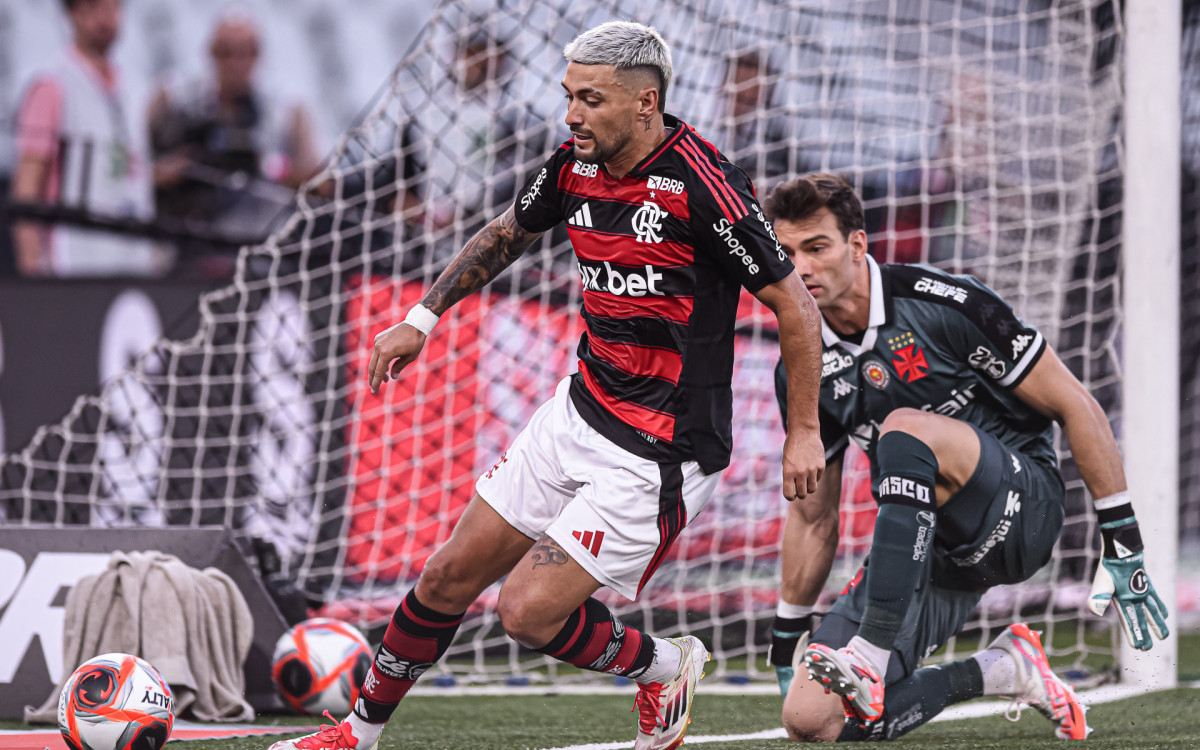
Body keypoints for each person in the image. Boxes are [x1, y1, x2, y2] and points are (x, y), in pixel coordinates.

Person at [270, 21, 824, 750]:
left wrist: (804, 432)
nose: (571, 115)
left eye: (590, 99)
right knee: (445, 578)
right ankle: (357, 736)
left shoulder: (703, 184)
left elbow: (796, 306)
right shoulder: (572, 164)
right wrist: (421, 317)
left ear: (645, 102)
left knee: (526, 614)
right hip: (579, 411)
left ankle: (663, 666)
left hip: (660, 449)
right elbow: (506, 234)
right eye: (568, 96)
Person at [762, 174, 1169, 742]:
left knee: (902, 430)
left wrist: (1122, 538)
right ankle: (1003, 669)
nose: (800, 268)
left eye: (816, 247)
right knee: (812, 721)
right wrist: (788, 629)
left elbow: (1076, 405)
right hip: (930, 554)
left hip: (1022, 510)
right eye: (785, 253)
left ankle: (870, 655)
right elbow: (813, 516)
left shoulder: (945, 302)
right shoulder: (800, 366)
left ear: (856, 245)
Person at [11, 0, 163, 277]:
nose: (106, 18)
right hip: (73, 259)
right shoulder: (52, 83)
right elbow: (27, 187)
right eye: (93, 8)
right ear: (72, 13)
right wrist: (33, 274)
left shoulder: (131, 87)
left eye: (113, 8)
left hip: (133, 257)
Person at [147, 12, 319, 241]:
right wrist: (184, 167)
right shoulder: (173, 101)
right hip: (187, 237)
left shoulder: (287, 113)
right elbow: (137, 172)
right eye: (226, 53)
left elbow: (319, 185)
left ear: (258, 55)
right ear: (211, 53)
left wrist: (271, 168)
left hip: (261, 239)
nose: (236, 63)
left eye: (246, 52)